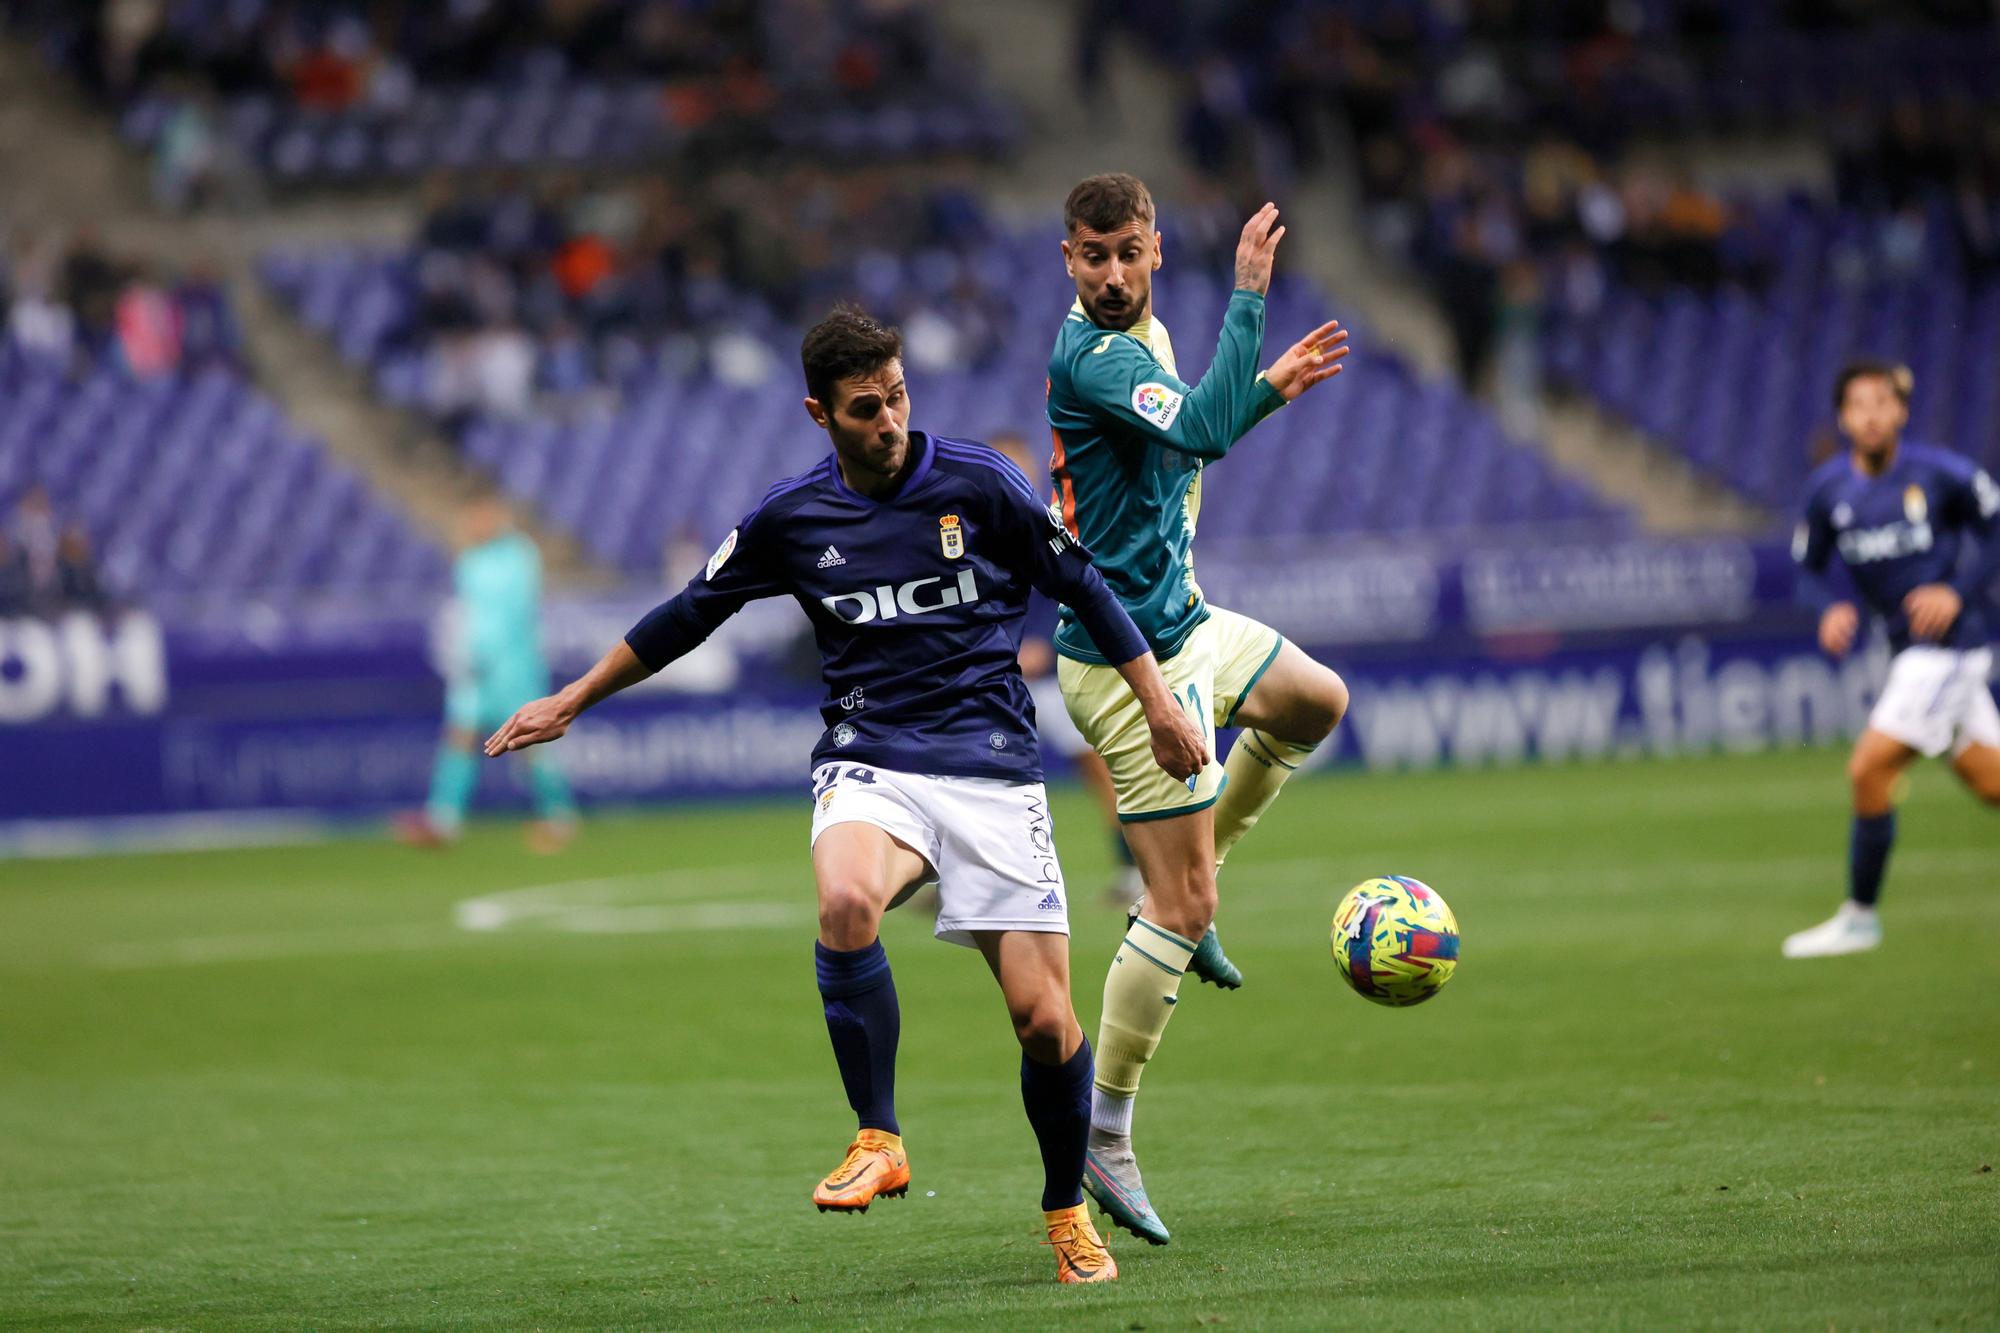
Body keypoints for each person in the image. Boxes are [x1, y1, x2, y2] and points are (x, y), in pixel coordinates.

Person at [484, 306, 1208, 1284]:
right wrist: (572, 698)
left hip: (991, 765)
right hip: (871, 755)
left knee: (1043, 1021)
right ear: (818, 413)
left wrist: (1157, 706)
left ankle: (1063, 1207)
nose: (889, 421)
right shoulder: (791, 517)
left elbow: (1082, 584)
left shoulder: (978, 483)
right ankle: (879, 1133)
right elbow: (688, 614)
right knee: (845, 900)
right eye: (865, 408)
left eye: (898, 397)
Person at [1045, 173, 1352, 1245]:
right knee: (1169, 909)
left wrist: (1259, 387)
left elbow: (1185, 438)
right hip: (1126, 658)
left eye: (1128, 250)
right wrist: (1251, 301)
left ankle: (1196, 883)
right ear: (1068, 260)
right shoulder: (1094, 355)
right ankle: (1105, 1128)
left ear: (1153, 247)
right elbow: (1207, 435)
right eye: (1094, 256)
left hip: (1181, 621)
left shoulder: (1143, 335)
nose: (1114, 273)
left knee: (1314, 702)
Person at [1784, 361, 1999, 958]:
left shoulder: (1941, 474)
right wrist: (1830, 606)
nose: (1872, 415)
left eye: (1883, 403)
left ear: (1901, 411)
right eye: (1859, 405)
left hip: (1951, 649)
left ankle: (1860, 916)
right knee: (1992, 784)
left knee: (1869, 769)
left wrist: (1957, 589)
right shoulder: (1829, 490)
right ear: (1843, 417)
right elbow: (1807, 566)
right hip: (1909, 652)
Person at [990, 430, 1142, 906]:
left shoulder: (1050, 523)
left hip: (1052, 677)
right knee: (974, 775)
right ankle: (953, 878)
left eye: (1016, 464)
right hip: (996, 678)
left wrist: (1044, 647)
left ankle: (1135, 870)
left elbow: (1078, 593)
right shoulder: (970, 530)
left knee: (1101, 773)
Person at [395, 492, 577, 853]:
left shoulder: (519, 555)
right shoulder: (470, 561)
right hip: (475, 670)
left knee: (530, 742)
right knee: (460, 735)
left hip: (514, 666)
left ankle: (559, 817)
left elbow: (515, 614)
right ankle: (443, 821)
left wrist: (490, 653)